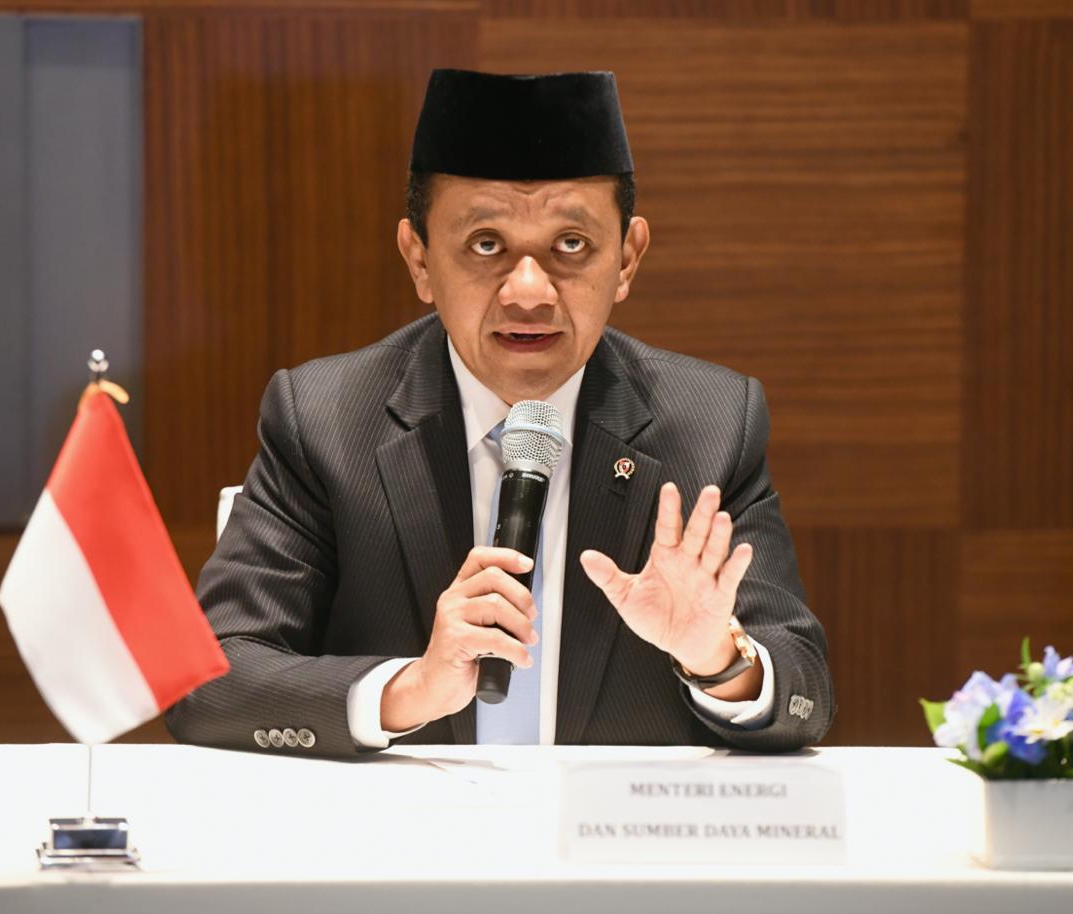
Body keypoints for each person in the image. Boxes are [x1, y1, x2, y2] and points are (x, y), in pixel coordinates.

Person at [166, 69, 833, 757]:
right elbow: (209, 679)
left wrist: (718, 659)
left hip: (614, 827)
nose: (529, 292)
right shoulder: (327, 421)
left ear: (628, 258)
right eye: (486, 245)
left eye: (571, 245)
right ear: (419, 259)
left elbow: (804, 694)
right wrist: (409, 689)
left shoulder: (711, 425)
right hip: (403, 824)